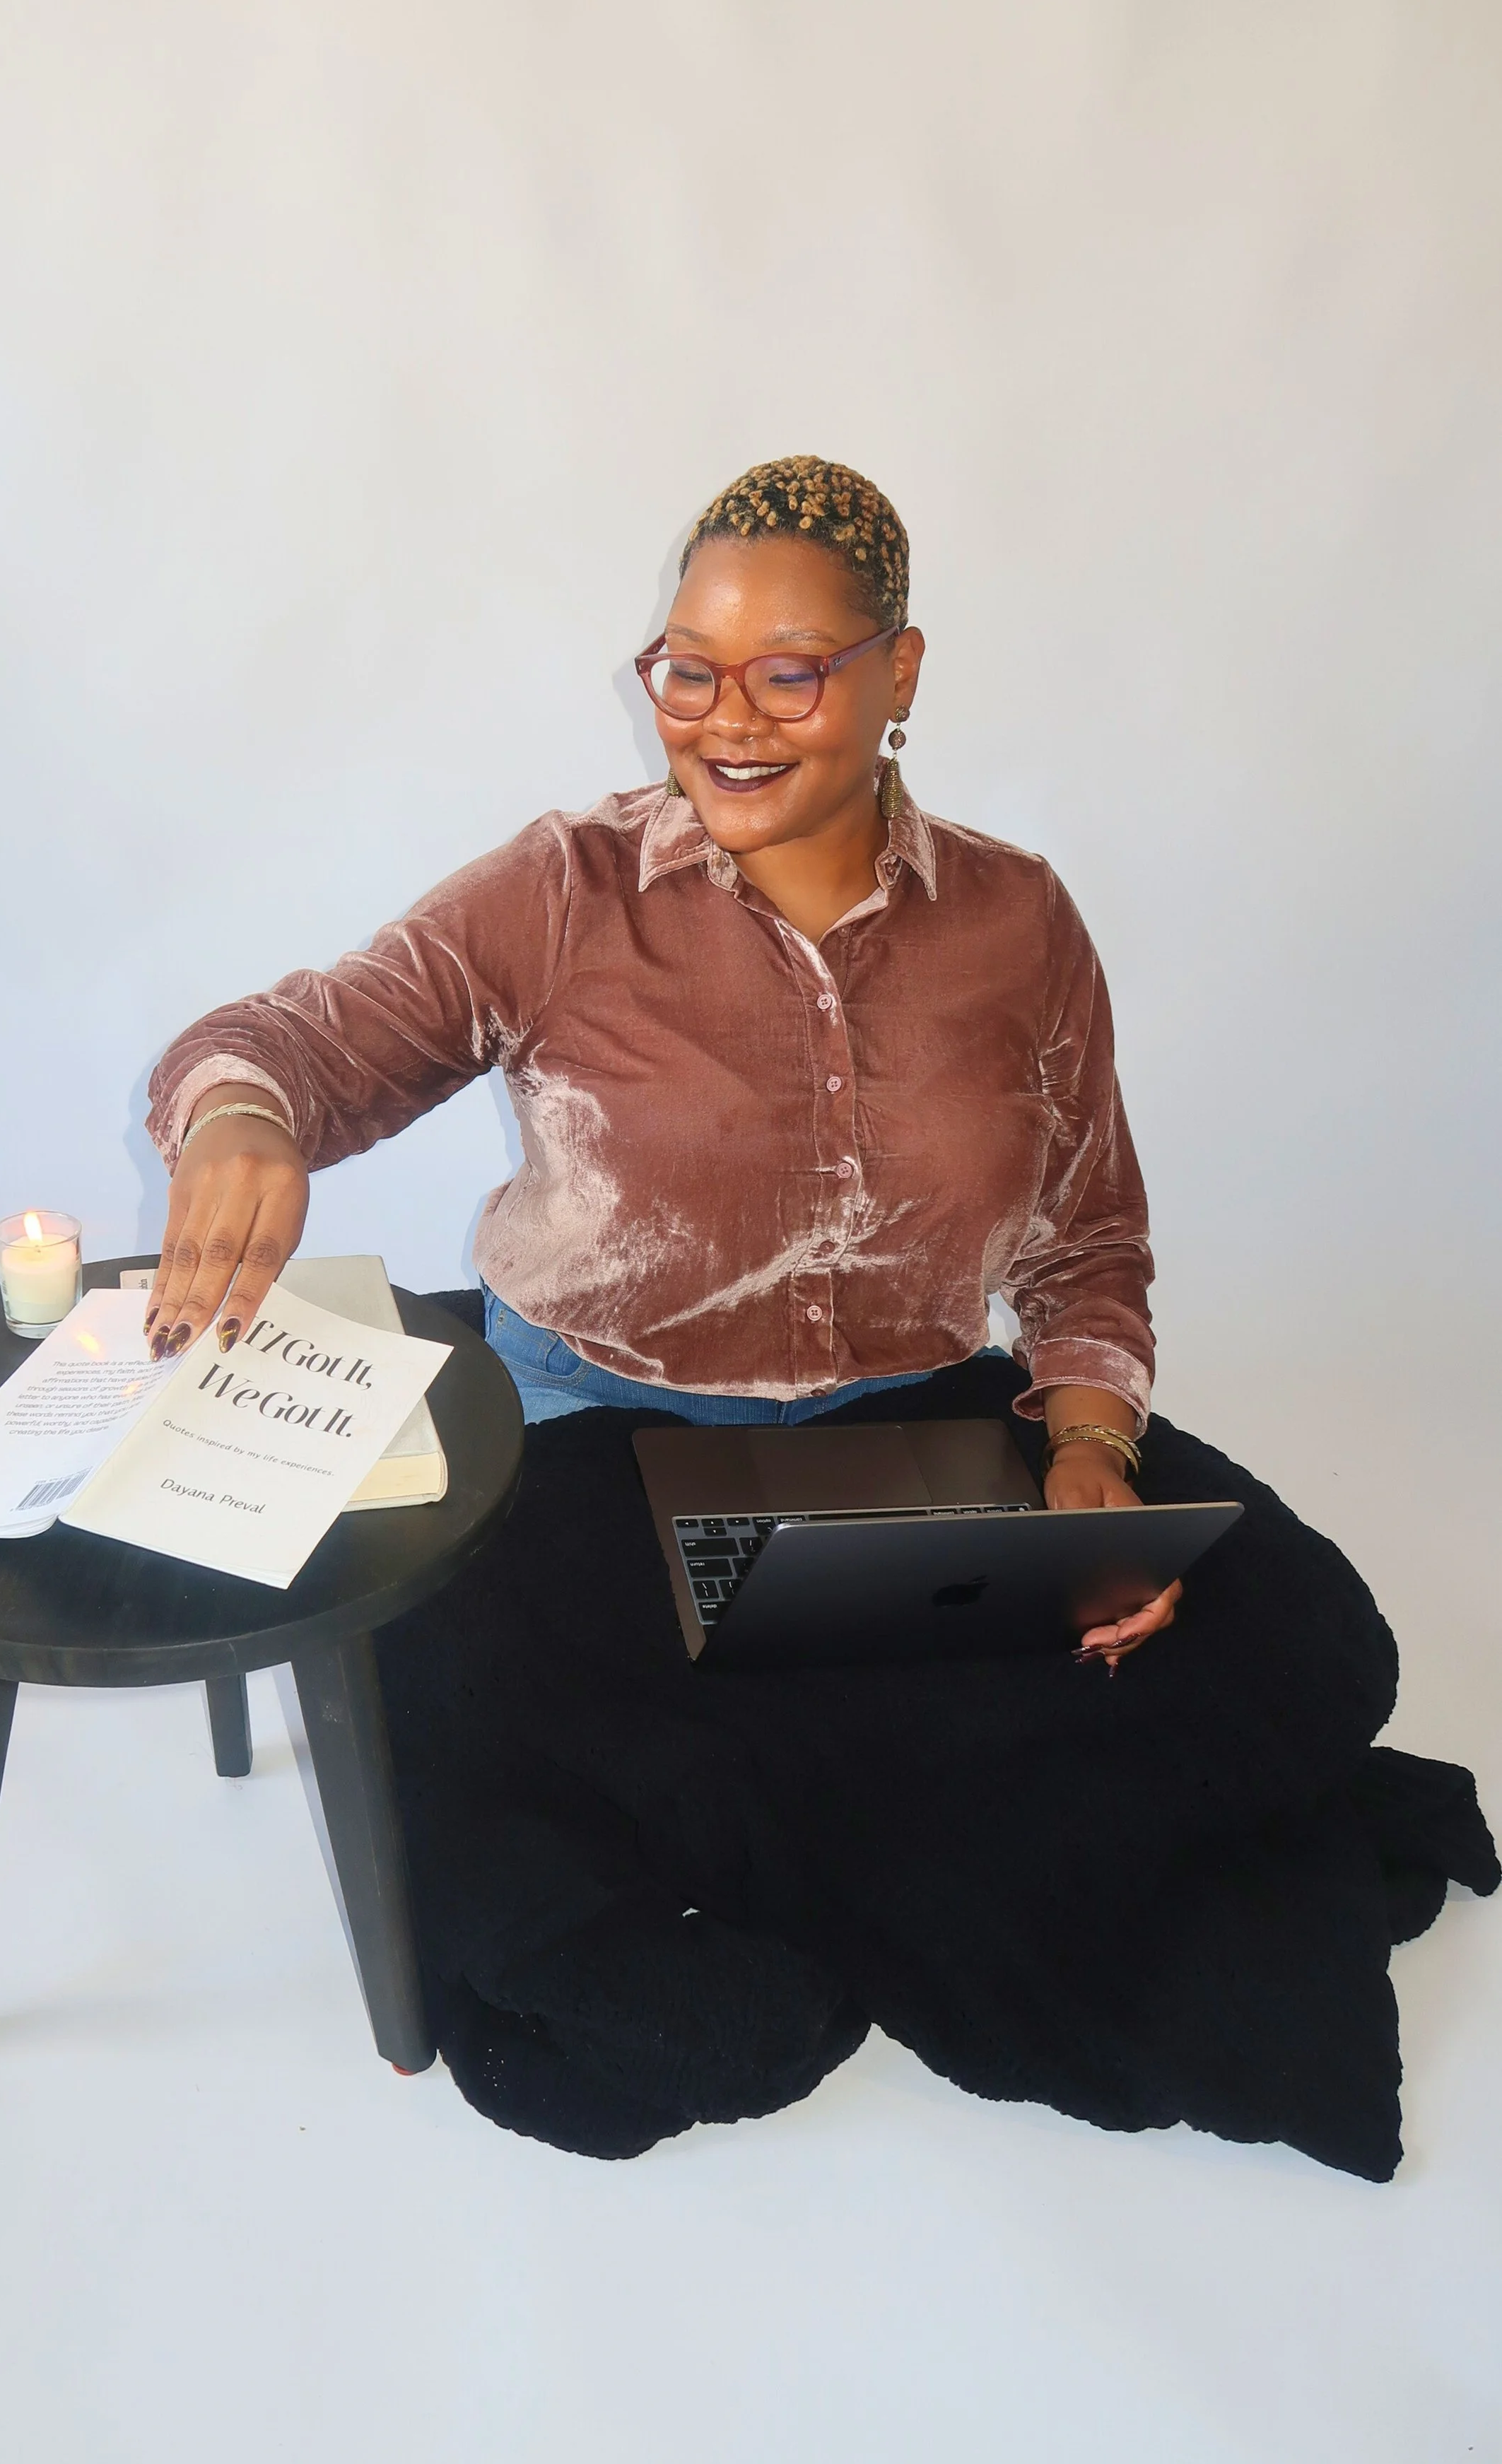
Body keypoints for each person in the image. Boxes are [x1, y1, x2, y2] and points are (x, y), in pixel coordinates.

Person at [145, 454, 1177, 1667]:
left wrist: (1089, 1452)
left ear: (898, 672)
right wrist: (238, 1118)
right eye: (690, 671)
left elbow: (1091, 1241)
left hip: (909, 1434)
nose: (725, 721)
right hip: (599, 1432)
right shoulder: (566, 890)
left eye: (787, 674)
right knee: (608, 1765)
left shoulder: (1021, 918)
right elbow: (285, 1048)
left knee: (1277, 1641)